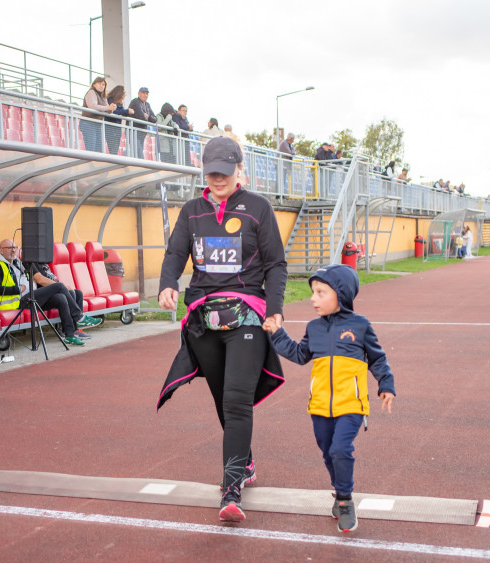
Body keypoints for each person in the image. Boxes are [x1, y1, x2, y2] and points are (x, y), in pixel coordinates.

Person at [157, 136, 288, 523]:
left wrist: (276, 310)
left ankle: (231, 488)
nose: (217, 179)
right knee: (221, 397)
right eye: (211, 172)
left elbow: (276, 264)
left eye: (224, 172)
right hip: (203, 318)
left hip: (247, 315)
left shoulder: (258, 209)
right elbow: (176, 252)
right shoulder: (192, 211)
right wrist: (168, 283)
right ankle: (244, 462)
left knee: (235, 399)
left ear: (238, 170)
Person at [264, 264, 395, 533]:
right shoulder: (314, 328)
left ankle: (345, 500)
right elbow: (299, 355)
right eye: (313, 292)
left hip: (351, 405)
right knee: (327, 452)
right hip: (320, 405)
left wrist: (386, 384)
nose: (313, 298)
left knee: (340, 449)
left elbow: (377, 358)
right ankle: (340, 490)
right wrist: (277, 333)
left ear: (341, 294)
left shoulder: (361, 326)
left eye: (321, 292)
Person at [0, 239, 102, 347]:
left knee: (61, 298)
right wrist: (18, 289)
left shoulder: (17, 264)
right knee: (59, 286)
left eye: (14, 247)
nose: (13, 250)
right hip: (19, 302)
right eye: (9, 248)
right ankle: (79, 317)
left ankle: (70, 334)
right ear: (1, 250)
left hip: (32, 297)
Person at [80, 76, 116, 154]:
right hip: (88, 123)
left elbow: (107, 109)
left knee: (99, 149)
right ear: (94, 84)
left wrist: (111, 108)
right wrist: (107, 108)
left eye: (103, 85)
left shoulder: (103, 96)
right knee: (91, 148)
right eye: (99, 83)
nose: (101, 86)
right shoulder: (91, 92)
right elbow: (92, 106)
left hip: (97, 124)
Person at [127, 86, 157, 158]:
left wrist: (148, 117)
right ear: (139, 94)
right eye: (143, 93)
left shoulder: (147, 105)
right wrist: (147, 118)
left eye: (146, 93)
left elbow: (155, 119)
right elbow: (141, 117)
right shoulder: (135, 102)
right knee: (139, 155)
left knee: (139, 153)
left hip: (141, 132)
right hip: (134, 131)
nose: (145, 95)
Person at [105, 85, 129, 155]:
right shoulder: (110, 100)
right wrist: (126, 111)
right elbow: (114, 112)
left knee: (115, 148)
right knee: (112, 148)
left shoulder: (119, 103)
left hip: (117, 128)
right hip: (110, 128)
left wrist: (127, 112)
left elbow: (121, 112)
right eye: (123, 94)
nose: (124, 96)